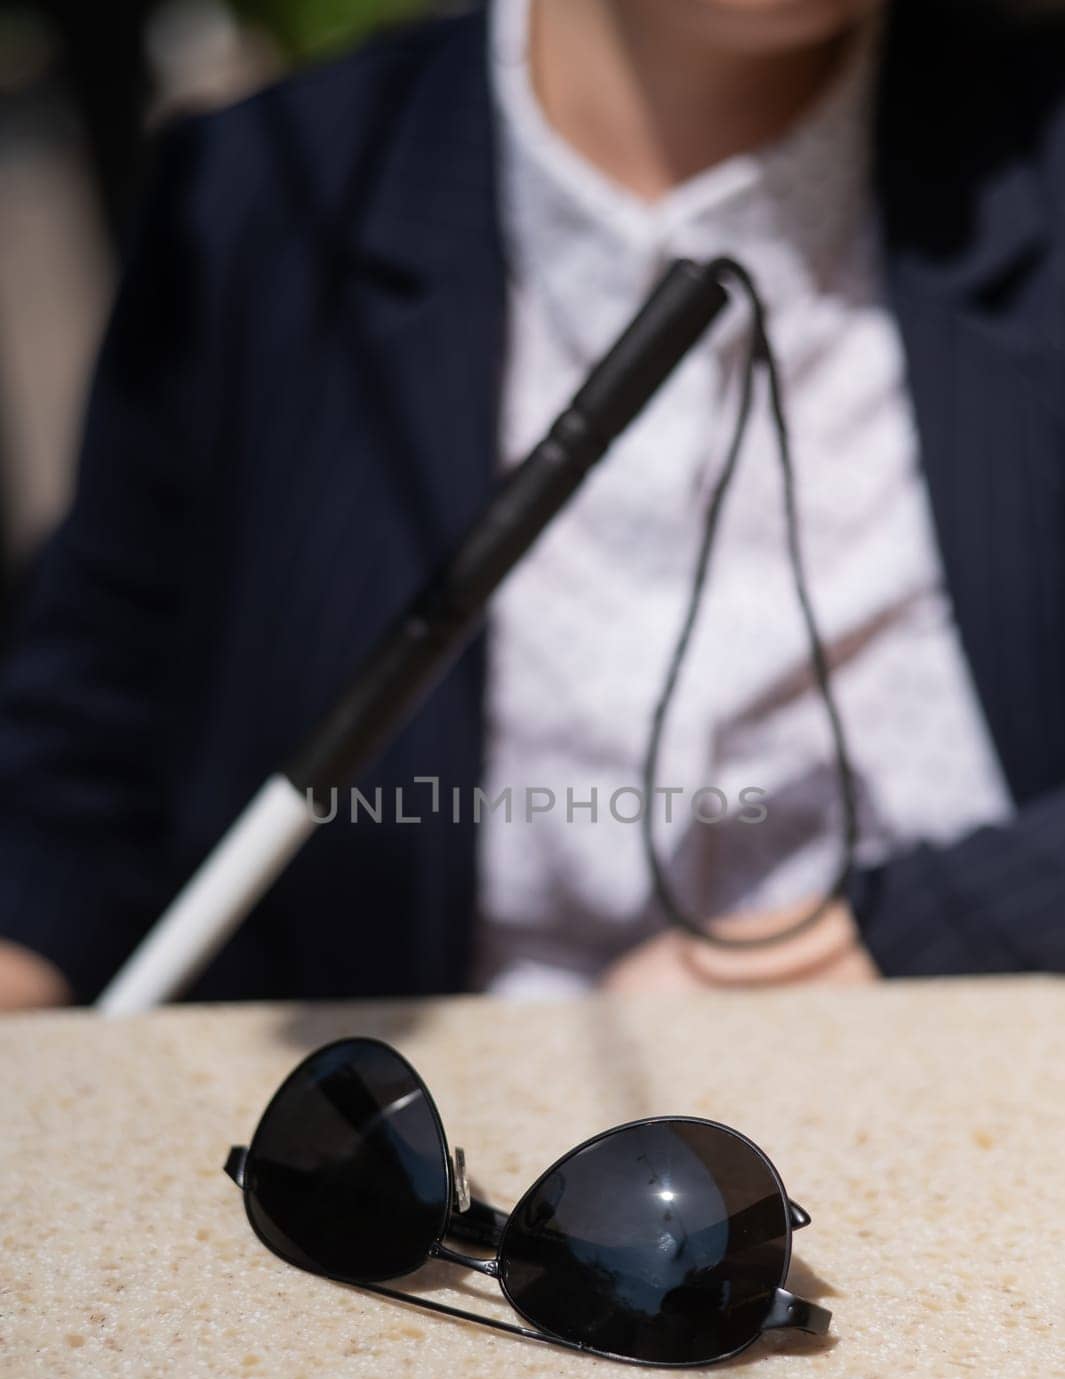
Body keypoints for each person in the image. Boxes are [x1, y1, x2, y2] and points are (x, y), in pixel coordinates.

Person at [1, 0, 1064, 1010]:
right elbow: (87, 755)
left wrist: (931, 929)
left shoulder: (1035, 150)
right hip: (411, 1164)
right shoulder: (265, 200)